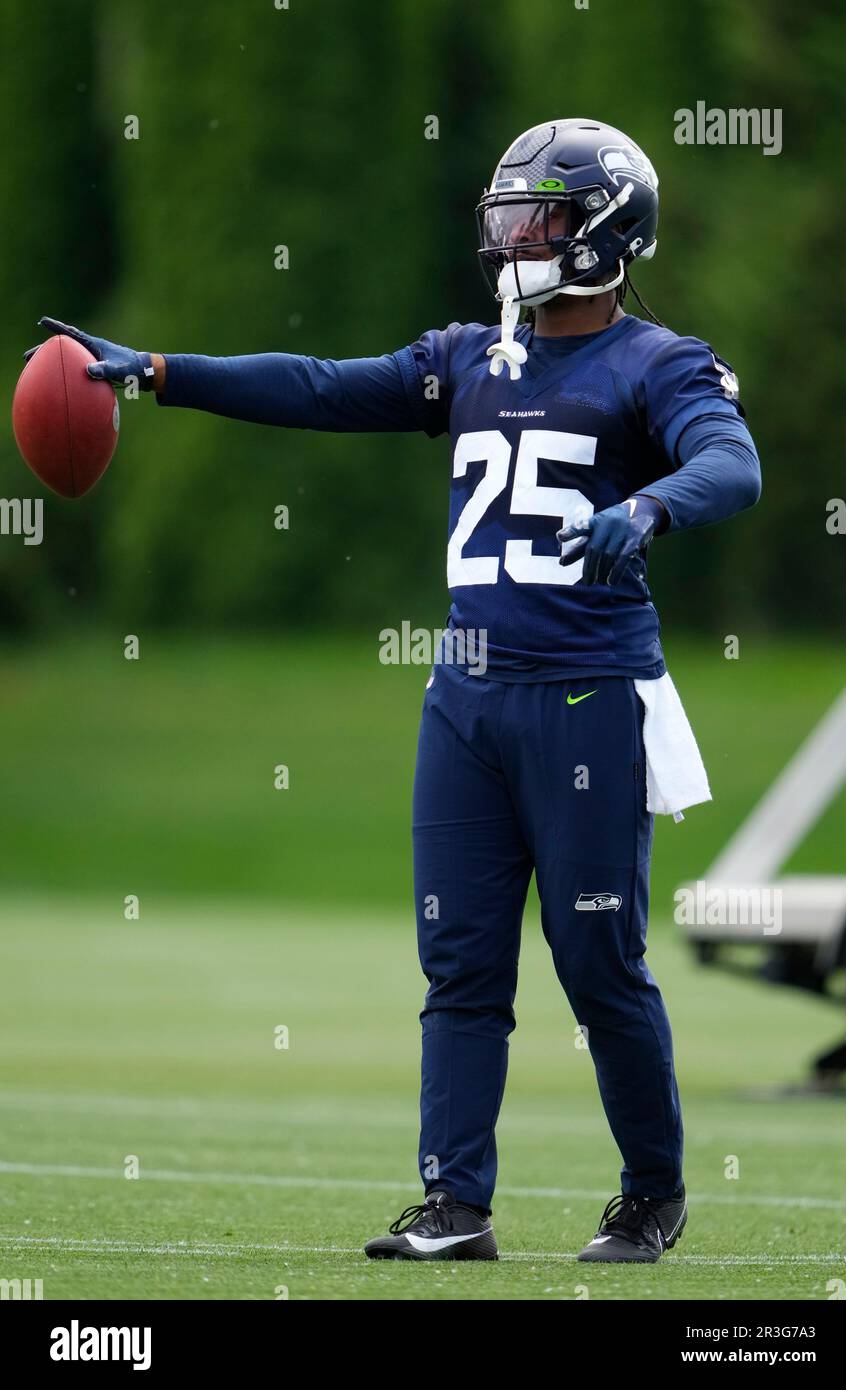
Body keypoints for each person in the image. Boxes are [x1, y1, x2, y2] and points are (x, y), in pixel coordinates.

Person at [29, 118, 761, 1264]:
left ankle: (650, 1192)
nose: (519, 234)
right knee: (459, 962)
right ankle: (452, 1205)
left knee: (594, 962)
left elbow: (732, 461)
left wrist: (650, 506)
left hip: (584, 696)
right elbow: (321, 388)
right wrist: (166, 373)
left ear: (608, 231)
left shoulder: (656, 363)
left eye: (545, 215)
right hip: (463, 699)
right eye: (512, 213)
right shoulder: (469, 356)